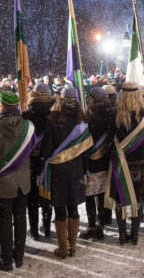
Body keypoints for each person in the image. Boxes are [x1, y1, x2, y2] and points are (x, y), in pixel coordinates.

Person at [0, 91, 35, 271]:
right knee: (21, 219)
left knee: (5, 222)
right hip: (23, 183)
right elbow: (31, 149)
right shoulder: (29, 127)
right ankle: (18, 257)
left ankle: (6, 260)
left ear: (3, 106)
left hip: (4, 183)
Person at [39, 87, 92, 257]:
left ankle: (62, 248)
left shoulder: (53, 119)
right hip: (76, 170)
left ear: (60, 99)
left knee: (60, 209)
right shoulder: (82, 120)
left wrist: (44, 160)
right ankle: (73, 246)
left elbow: (46, 149)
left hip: (58, 171)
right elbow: (85, 151)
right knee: (73, 207)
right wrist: (84, 170)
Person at [105, 81, 144, 244]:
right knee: (138, 199)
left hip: (121, 163)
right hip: (141, 162)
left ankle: (122, 233)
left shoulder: (113, 114)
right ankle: (135, 233)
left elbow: (110, 138)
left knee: (120, 199)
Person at [80, 87, 115, 240]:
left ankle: (92, 226)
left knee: (89, 195)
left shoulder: (90, 116)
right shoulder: (112, 113)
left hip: (92, 161)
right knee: (101, 194)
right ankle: (101, 225)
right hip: (107, 159)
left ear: (93, 99)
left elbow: (85, 140)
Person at [22, 82, 55, 240]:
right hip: (49, 159)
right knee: (46, 194)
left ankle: (34, 230)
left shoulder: (27, 114)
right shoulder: (54, 112)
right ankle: (47, 227)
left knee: (33, 199)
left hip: (31, 160)